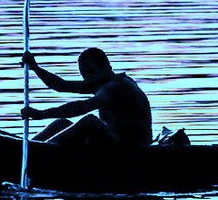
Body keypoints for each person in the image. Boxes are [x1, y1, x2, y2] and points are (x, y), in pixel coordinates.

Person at [21, 47, 152, 147]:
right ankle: (29, 146)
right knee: (61, 123)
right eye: (84, 74)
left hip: (133, 148)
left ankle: (39, 153)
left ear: (107, 67)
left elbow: (80, 108)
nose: (88, 79)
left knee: (90, 121)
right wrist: (35, 68)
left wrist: (40, 114)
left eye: (91, 72)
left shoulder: (117, 87)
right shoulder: (99, 81)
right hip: (115, 140)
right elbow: (61, 85)